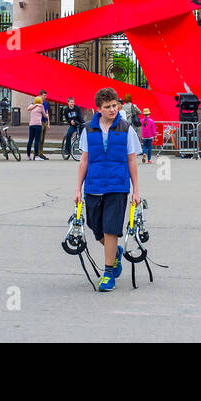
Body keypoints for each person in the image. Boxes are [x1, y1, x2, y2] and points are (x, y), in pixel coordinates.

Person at [74, 87, 142, 292]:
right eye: (108, 107)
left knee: (111, 229)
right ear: (99, 109)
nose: (113, 109)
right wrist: (77, 188)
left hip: (117, 185)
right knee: (96, 228)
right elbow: (84, 160)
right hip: (93, 186)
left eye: (115, 105)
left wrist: (136, 190)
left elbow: (131, 160)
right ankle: (116, 253)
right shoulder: (88, 129)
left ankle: (108, 273)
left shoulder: (126, 128)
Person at [26, 95, 47, 160]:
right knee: (37, 141)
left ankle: (28, 156)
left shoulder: (32, 106)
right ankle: (36, 156)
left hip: (31, 125)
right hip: (38, 125)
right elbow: (44, 115)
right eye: (41, 100)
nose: (42, 101)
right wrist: (47, 115)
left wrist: (34, 105)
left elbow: (28, 108)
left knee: (30, 140)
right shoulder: (41, 106)